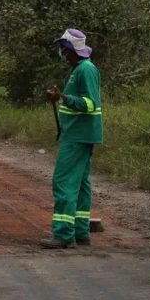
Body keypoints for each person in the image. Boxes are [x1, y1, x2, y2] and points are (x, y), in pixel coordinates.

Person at [41, 29, 103, 249]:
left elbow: (89, 103)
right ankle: (80, 232)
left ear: (70, 49)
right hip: (79, 134)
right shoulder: (80, 69)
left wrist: (63, 98)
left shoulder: (85, 70)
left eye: (64, 49)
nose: (62, 53)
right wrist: (61, 98)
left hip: (78, 136)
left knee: (64, 182)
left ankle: (64, 234)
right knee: (81, 184)